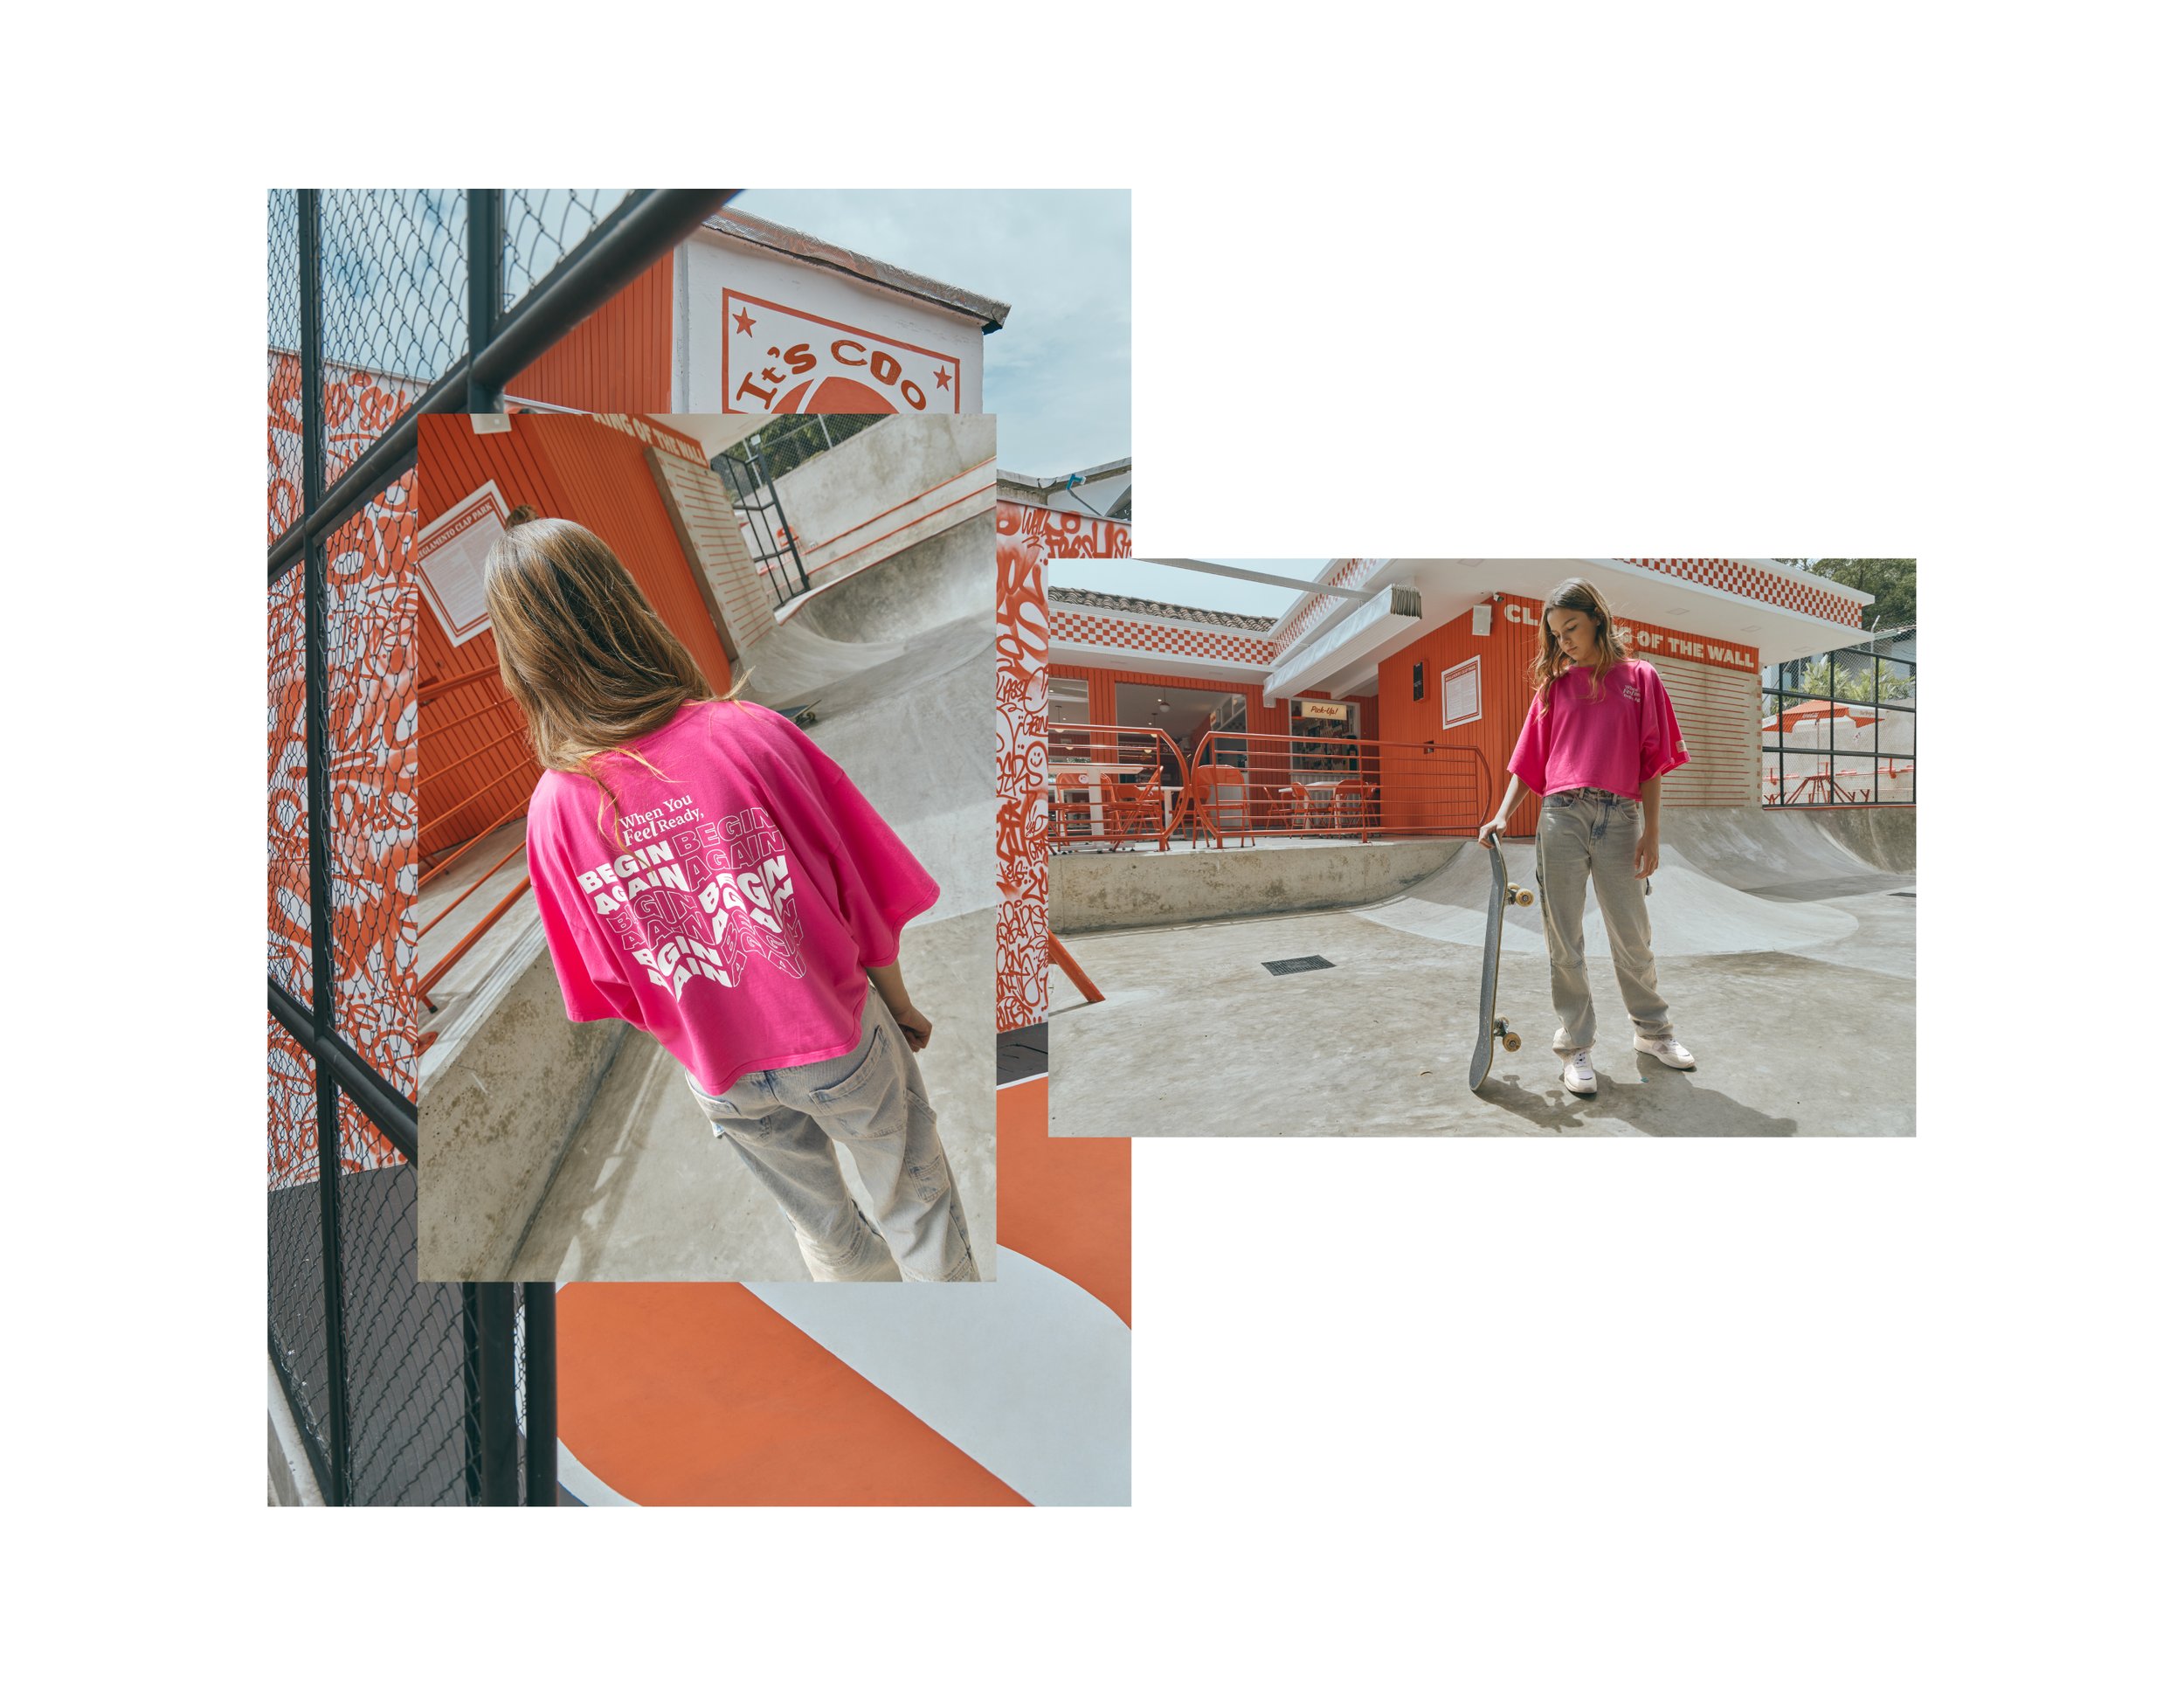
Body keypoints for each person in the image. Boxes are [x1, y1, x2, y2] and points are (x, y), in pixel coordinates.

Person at [485, 508, 978, 1283]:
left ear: (524, 660)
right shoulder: (749, 735)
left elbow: (611, 985)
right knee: (917, 1207)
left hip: (721, 1079)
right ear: (625, 606)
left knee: (828, 1237)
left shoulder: (552, 811)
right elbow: (861, 897)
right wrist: (900, 1003)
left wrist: (706, 1029)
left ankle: (886, 1362)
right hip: (836, 1039)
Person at [1478, 578, 1699, 1096]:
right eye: (1556, 634)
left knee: (1632, 934)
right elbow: (1526, 762)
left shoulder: (1640, 678)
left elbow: (1652, 762)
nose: (1564, 641)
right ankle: (1575, 1045)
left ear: (1596, 617)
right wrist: (1501, 814)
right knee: (1565, 938)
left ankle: (1653, 1033)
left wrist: (1651, 831)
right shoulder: (1553, 689)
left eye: (1571, 628)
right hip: (1560, 816)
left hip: (1622, 818)